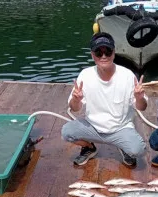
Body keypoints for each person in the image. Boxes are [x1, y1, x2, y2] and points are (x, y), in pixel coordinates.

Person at [61, 32, 147, 167]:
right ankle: (89, 147)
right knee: (67, 132)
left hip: (120, 128)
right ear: (92, 55)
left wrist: (139, 98)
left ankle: (124, 148)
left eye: (108, 52)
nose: (104, 56)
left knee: (138, 150)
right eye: (98, 52)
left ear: (114, 53)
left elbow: (142, 107)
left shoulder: (127, 75)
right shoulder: (85, 75)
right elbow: (74, 108)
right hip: (93, 127)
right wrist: (76, 99)